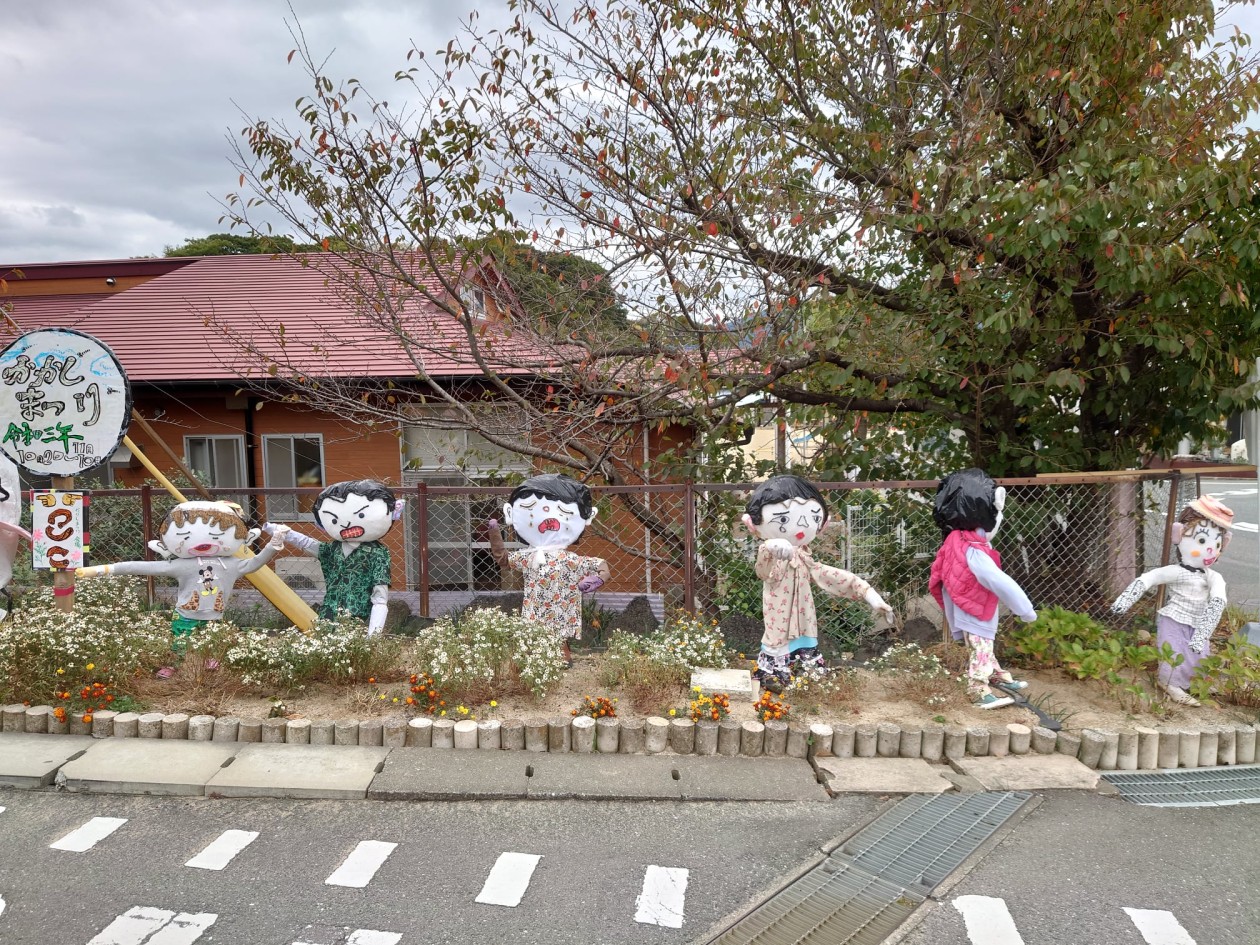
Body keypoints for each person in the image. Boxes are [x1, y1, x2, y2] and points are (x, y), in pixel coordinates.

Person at [76, 500, 288, 674]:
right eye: (185, 537)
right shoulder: (182, 564)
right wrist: (102, 569)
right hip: (186, 614)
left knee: (212, 643)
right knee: (179, 642)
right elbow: (141, 566)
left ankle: (209, 662)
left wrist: (273, 544)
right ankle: (172, 666)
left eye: (216, 536)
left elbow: (256, 562)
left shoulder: (233, 564)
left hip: (215, 614)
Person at [742, 475, 894, 693]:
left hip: (805, 619)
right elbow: (763, 573)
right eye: (783, 519)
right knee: (777, 640)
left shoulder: (805, 557)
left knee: (806, 642)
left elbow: (832, 576)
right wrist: (769, 548)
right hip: (779, 619)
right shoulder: (772, 553)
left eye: (813, 517)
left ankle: (804, 674)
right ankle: (773, 675)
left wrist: (868, 594)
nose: (802, 526)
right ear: (752, 523)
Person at [929, 468, 1037, 709]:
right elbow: (998, 580)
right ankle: (978, 689)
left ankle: (996, 674)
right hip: (974, 608)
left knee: (983, 645)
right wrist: (1025, 609)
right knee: (981, 646)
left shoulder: (956, 540)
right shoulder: (974, 551)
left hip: (965, 604)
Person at [1110, 496, 1233, 707]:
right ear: (1179, 535)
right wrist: (1125, 599)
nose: (1209, 550)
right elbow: (1149, 578)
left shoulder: (1213, 577)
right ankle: (1169, 683)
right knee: (1172, 651)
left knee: (1200, 653)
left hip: (1198, 621)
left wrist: (1203, 632)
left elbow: (1218, 601)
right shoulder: (1177, 572)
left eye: (1216, 544)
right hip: (1174, 619)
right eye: (1201, 541)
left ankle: (1197, 682)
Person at [267, 479, 401, 634]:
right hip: (329, 614)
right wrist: (283, 532)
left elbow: (380, 596)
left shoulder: (377, 553)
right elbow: (307, 543)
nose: (346, 525)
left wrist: (373, 635)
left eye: (361, 514)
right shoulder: (332, 549)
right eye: (334, 519)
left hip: (361, 618)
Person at [502, 473, 609, 667]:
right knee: (535, 633)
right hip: (537, 608)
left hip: (561, 608)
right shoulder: (530, 556)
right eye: (530, 508)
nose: (546, 514)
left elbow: (599, 565)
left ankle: (562, 657)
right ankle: (539, 659)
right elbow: (504, 560)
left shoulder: (569, 559)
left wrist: (598, 578)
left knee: (558, 635)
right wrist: (494, 535)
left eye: (563, 510)